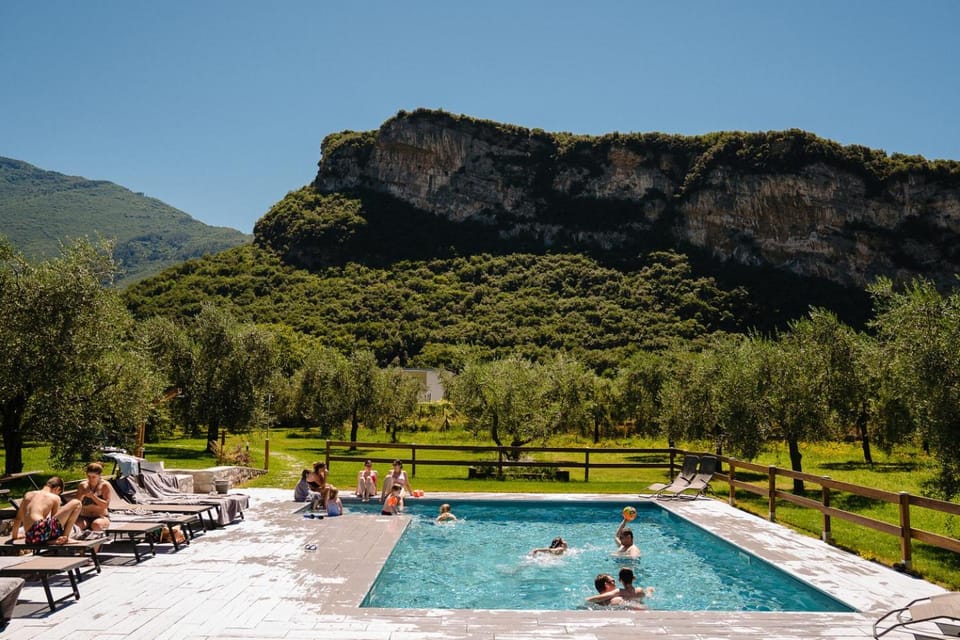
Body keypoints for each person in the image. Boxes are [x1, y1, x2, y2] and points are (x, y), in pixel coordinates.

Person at [11, 476, 82, 545]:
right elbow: (56, 524)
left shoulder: (28, 494)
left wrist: (15, 536)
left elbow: (18, 518)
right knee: (77, 503)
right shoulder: (55, 497)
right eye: (59, 493)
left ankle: (48, 541)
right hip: (41, 531)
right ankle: (66, 538)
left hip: (30, 537)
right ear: (58, 489)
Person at [75, 462, 113, 532]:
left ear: (99, 475)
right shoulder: (83, 485)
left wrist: (93, 496)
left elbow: (105, 505)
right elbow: (75, 503)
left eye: (93, 477)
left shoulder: (105, 486)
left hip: (100, 516)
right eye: (89, 476)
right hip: (84, 516)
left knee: (96, 525)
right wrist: (82, 495)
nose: (91, 479)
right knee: (77, 526)